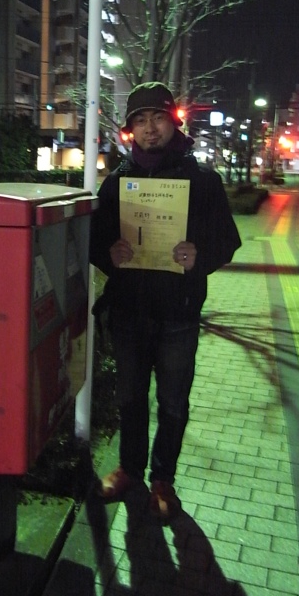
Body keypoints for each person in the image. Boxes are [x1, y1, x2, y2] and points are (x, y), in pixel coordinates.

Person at [89, 82, 241, 520]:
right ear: (130, 129)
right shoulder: (117, 182)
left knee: (173, 402)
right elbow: (94, 241)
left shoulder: (202, 181)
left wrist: (200, 256)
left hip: (178, 313)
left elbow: (227, 241)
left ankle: (163, 480)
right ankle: (129, 469)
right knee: (130, 397)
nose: (150, 128)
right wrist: (110, 253)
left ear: (173, 122)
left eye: (157, 118)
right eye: (140, 120)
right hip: (130, 312)